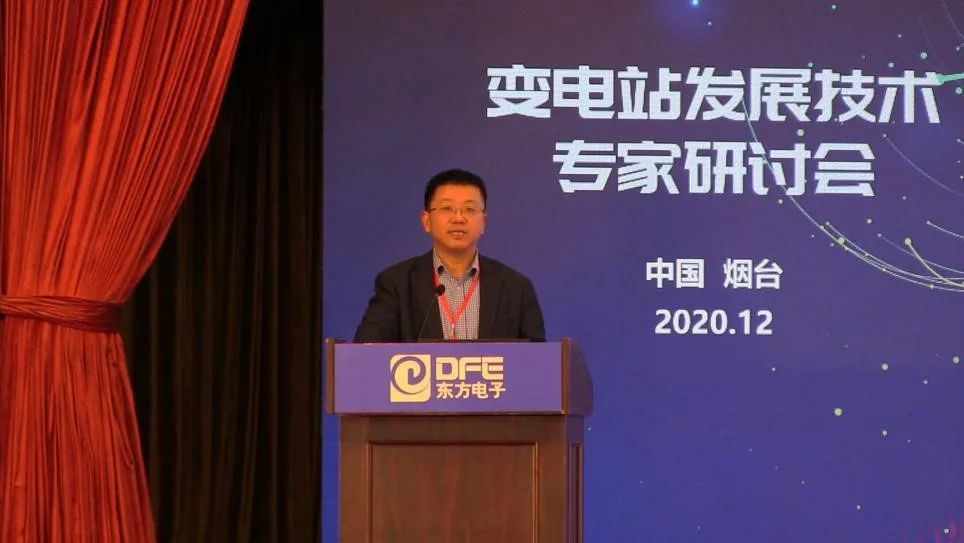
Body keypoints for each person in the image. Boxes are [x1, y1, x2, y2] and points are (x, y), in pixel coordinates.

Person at [353, 169, 545, 342]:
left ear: (483, 222)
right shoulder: (397, 284)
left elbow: (539, 360)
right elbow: (366, 352)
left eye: (469, 209)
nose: (458, 218)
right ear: (427, 221)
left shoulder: (515, 287)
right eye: (447, 208)